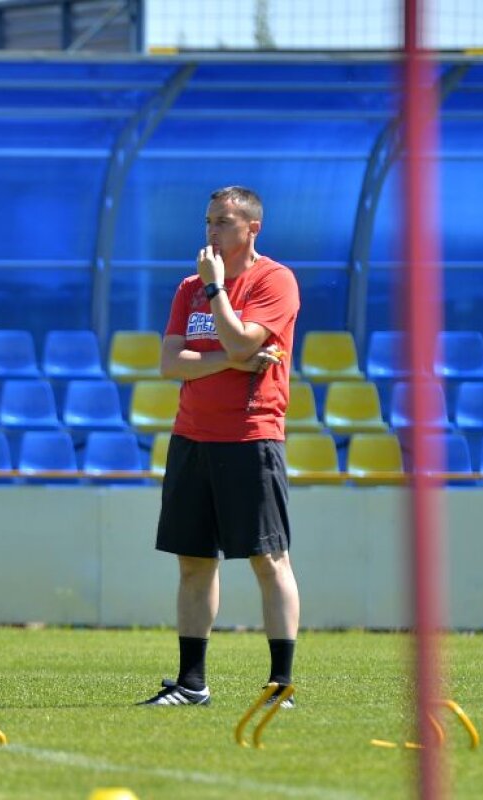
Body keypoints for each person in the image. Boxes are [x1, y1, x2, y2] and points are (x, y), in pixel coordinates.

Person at [139, 186, 300, 707]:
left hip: (250, 436)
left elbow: (236, 339)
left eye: (223, 222)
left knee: (267, 558)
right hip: (192, 436)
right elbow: (170, 363)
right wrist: (231, 360)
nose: (211, 231)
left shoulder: (273, 280)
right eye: (208, 221)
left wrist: (217, 292)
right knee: (193, 562)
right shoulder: (188, 287)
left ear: (253, 227)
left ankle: (280, 685)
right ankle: (191, 684)